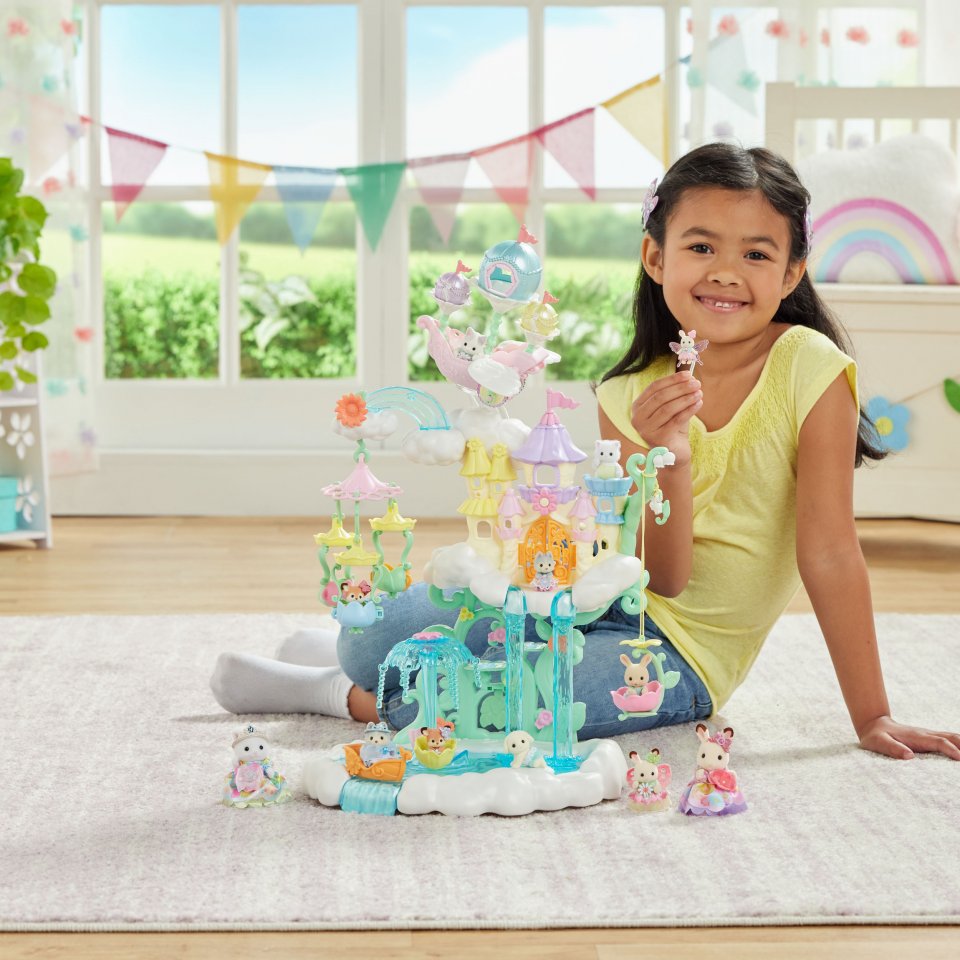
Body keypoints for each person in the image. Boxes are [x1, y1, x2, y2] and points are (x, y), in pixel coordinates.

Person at [211, 142, 959, 761]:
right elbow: (642, 567)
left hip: (675, 655)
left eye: (756, 254)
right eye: (700, 246)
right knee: (368, 635)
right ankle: (342, 655)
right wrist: (658, 451)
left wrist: (872, 715)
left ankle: (327, 693)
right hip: (584, 599)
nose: (726, 272)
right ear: (656, 257)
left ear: (791, 272)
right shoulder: (628, 391)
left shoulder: (810, 368)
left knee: (457, 701)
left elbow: (819, 554)